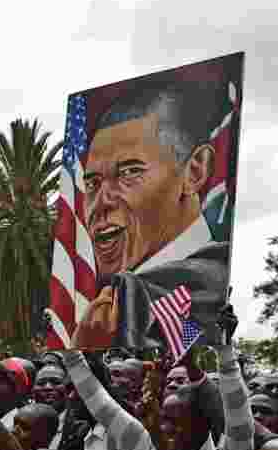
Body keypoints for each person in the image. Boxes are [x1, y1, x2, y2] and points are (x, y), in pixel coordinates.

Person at [70, 81, 233, 350]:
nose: (101, 203)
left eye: (129, 172)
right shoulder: (115, 303)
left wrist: (89, 351)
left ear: (194, 172)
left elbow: (191, 359)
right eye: (92, 183)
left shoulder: (206, 290)